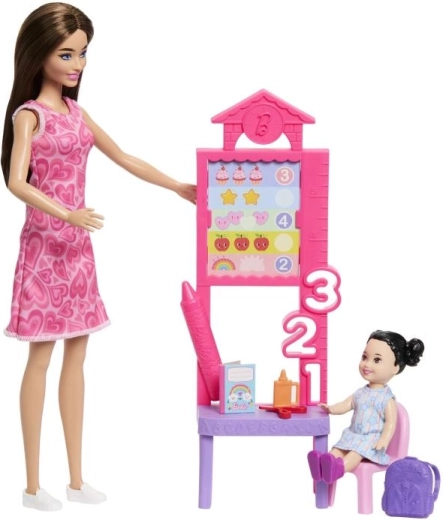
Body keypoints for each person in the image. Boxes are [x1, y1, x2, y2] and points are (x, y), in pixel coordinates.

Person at [1, 2, 196, 511]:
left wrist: (176, 185)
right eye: (66, 54)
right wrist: (65, 213)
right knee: (39, 359)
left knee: (78, 358)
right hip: (45, 251)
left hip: (78, 252)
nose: (77, 64)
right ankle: (31, 486)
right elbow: (16, 182)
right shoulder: (30, 115)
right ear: (39, 54)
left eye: (83, 53)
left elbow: (123, 156)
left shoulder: (77, 113)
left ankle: (76, 478)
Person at [307, 330, 424, 484]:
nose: (367, 364)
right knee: (337, 450)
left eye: (377, 360)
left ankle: (339, 469)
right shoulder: (360, 393)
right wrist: (331, 409)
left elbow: (390, 423)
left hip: (371, 441)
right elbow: (346, 404)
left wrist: (384, 439)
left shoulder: (387, 399)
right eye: (364, 357)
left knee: (355, 453)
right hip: (353, 435)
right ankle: (321, 467)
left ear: (395, 367)